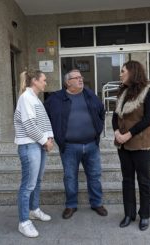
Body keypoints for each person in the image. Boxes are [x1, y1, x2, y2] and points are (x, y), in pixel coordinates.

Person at [44, 69, 108, 219]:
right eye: (77, 77)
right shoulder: (56, 99)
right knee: (70, 177)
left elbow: (101, 110)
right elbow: (44, 117)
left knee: (94, 175)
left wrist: (97, 129)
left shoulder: (89, 94)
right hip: (69, 146)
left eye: (81, 77)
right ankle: (71, 205)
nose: (81, 79)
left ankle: (97, 203)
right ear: (68, 82)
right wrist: (51, 136)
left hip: (92, 144)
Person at [112, 60, 150, 231]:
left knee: (143, 180)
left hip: (141, 143)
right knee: (127, 180)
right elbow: (115, 116)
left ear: (132, 72)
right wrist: (117, 132)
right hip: (123, 143)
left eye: (123, 71)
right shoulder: (122, 92)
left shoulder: (149, 92)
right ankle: (129, 214)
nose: (120, 74)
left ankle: (144, 215)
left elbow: (148, 119)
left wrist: (128, 134)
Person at [14, 68, 54, 238]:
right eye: (43, 80)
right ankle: (23, 222)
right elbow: (29, 125)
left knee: (36, 181)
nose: (46, 82)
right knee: (28, 185)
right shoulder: (25, 98)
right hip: (30, 146)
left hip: (38, 145)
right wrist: (45, 141)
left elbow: (43, 123)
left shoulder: (35, 98)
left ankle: (34, 210)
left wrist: (49, 138)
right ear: (35, 81)